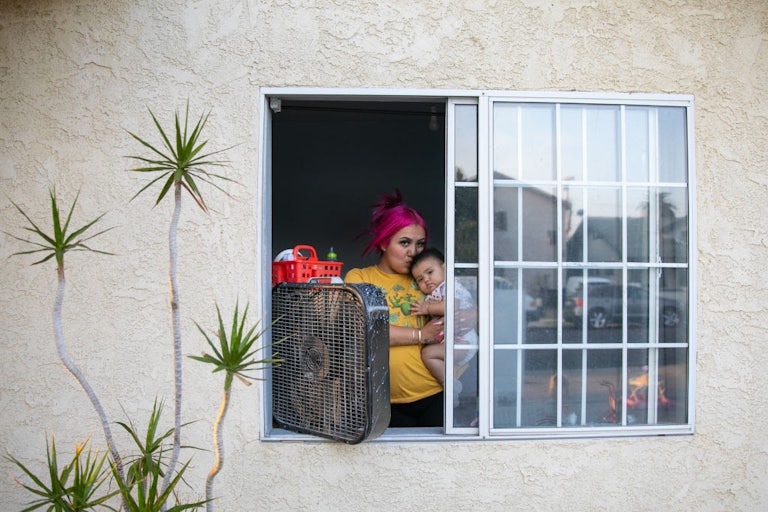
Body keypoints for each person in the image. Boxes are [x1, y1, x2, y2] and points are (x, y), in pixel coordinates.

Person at [344, 190, 444, 427]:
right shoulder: (360, 277)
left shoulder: (426, 280)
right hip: (382, 401)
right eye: (404, 243)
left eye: (420, 244)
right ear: (383, 242)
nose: (414, 252)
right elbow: (365, 328)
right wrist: (421, 335)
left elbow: (465, 307)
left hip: (434, 394)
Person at [409, 248, 478, 388]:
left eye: (430, 272)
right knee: (428, 353)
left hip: (464, 340)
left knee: (428, 354)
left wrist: (426, 308)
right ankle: (451, 383)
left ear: (445, 269)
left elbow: (451, 305)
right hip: (454, 340)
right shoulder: (437, 291)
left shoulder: (450, 286)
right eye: (420, 279)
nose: (426, 279)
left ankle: (451, 385)